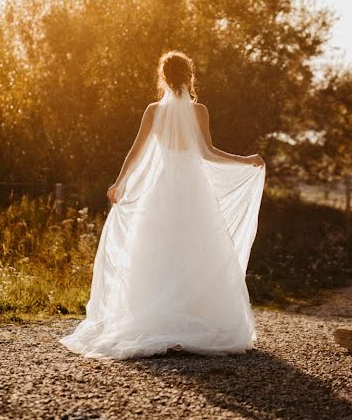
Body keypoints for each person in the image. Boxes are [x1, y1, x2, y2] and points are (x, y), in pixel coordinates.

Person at [60, 50, 266, 359]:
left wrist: (120, 182)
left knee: (158, 250)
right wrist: (245, 160)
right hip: (194, 190)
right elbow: (208, 153)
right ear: (190, 76)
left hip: (163, 187)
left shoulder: (154, 111)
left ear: (163, 77)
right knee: (196, 251)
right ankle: (196, 319)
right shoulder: (200, 111)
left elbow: (136, 152)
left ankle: (158, 318)